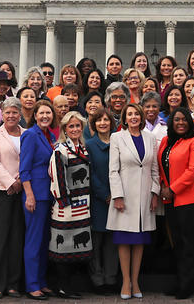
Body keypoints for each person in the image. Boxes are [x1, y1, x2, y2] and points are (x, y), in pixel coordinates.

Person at [108, 102, 160, 299]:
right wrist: (118, 196)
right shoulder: (117, 137)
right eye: (129, 114)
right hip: (125, 197)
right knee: (124, 240)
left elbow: (154, 169)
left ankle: (136, 281)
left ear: (142, 117)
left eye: (136, 114)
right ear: (125, 117)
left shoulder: (150, 138)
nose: (133, 117)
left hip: (145, 198)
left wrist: (155, 193)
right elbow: (113, 170)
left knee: (140, 241)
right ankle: (125, 282)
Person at [157, 106, 194, 299]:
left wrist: (172, 189)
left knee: (188, 244)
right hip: (171, 201)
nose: (180, 122)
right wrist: (163, 186)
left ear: (189, 122)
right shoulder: (165, 141)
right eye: (176, 119)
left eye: (184, 119)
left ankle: (187, 285)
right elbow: (161, 167)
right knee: (176, 243)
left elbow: (193, 170)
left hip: (190, 200)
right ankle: (179, 282)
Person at [47, 112, 94, 299]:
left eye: (77, 126)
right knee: (63, 248)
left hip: (83, 205)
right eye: (71, 126)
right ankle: (62, 287)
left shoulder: (83, 148)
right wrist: (64, 202)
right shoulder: (60, 150)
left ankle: (69, 286)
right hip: (66, 207)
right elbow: (57, 178)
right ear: (64, 129)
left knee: (76, 250)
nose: (75, 129)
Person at [0, 97, 26, 299]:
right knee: (0, 239)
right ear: (3, 113)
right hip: (2, 190)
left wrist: (20, 180)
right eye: (8, 112)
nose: (11, 115)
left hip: (23, 191)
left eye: (15, 112)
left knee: (17, 239)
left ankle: (13, 284)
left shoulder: (26, 134)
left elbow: (28, 160)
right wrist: (11, 182)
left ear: (20, 114)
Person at [20, 100, 57, 300]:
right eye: (41, 113)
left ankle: (42, 281)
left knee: (44, 241)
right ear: (34, 115)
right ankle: (32, 284)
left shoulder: (50, 135)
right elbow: (24, 168)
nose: (45, 116)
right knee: (34, 241)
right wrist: (30, 195)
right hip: (35, 194)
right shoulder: (30, 135)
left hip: (49, 195)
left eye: (48, 113)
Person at [85, 110, 118, 294]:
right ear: (94, 124)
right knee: (96, 241)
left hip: (117, 199)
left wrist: (117, 195)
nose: (103, 123)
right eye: (99, 120)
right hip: (98, 200)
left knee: (112, 241)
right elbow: (89, 174)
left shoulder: (119, 142)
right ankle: (97, 279)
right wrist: (105, 195)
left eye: (106, 120)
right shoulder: (89, 145)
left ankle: (111, 278)